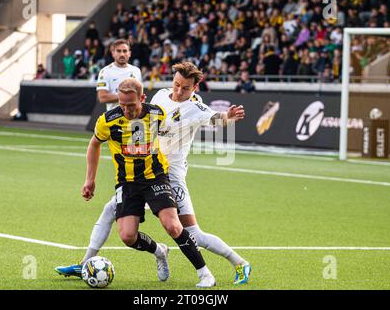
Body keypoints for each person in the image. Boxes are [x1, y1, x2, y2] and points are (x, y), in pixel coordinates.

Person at [56, 63, 251, 285]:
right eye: (176, 84)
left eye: (185, 88)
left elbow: (217, 117)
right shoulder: (160, 96)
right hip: (145, 170)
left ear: (195, 87)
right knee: (111, 209)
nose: (178, 91)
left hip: (171, 175)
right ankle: (86, 263)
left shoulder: (196, 108)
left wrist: (229, 116)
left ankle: (239, 263)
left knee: (191, 233)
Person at [96, 39, 142, 112]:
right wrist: (127, 97)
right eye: (118, 51)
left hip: (133, 116)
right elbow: (102, 97)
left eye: (125, 51)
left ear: (129, 53)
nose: (122, 54)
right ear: (113, 53)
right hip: (114, 117)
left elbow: (139, 95)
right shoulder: (105, 71)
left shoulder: (136, 71)